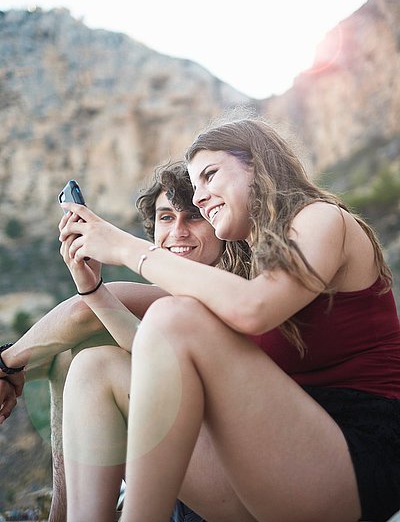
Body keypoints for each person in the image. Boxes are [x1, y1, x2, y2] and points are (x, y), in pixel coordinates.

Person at [59, 116, 400, 522]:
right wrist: (93, 287)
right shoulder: (249, 269)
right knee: (95, 368)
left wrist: (128, 249)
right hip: (272, 460)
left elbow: (253, 309)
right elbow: (160, 363)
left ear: (257, 166)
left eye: (209, 176)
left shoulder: (322, 219)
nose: (200, 197)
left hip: (352, 461)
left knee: (174, 315)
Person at [0, 161, 249, 522]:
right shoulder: (179, 292)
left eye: (193, 218)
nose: (177, 231)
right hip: (199, 473)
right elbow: (115, 332)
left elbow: (84, 313)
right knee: (74, 354)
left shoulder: (228, 286)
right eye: (166, 218)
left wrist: (9, 364)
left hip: (239, 484)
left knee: (93, 359)